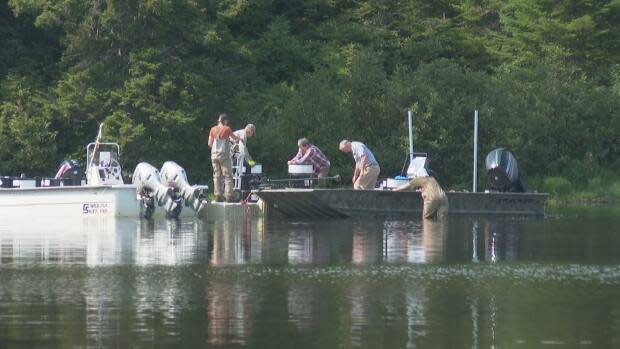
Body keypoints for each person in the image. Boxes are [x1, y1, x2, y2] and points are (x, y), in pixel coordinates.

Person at [208, 113, 240, 202]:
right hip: (224, 155)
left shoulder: (212, 129)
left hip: (214, 155)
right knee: (228, 175)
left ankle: (218, 196)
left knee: (217, 175)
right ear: (225, 121)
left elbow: (209, 144)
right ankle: (229, 196)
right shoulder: (227, 128)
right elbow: (234, 138)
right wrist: (238, 140)